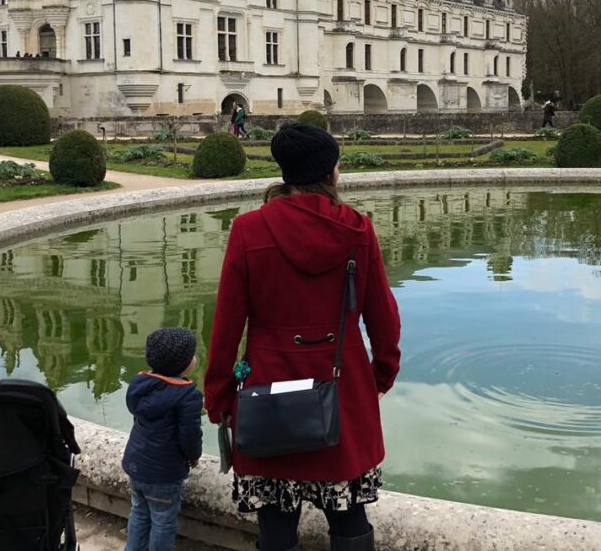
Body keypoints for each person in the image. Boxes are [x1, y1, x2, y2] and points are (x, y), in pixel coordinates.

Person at [204, 124, 401, 551]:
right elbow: (382, 315)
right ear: (332, 172)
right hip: (342, 385)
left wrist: (218, 395)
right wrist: (381, 376)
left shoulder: (248, 230)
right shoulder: (358, 229)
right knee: (348, 516)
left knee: (275, 524)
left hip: (267, 389)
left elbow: (226, 325)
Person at [122, 327, 203, 551]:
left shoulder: (140, 385)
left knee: (138, 512)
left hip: (135, 464)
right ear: (184, 364)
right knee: (163, 520)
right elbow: (190, 434)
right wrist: (193, 456)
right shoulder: (188, 395)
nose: (195, 358)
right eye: (192, 355)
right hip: (164, 473)